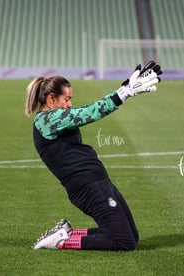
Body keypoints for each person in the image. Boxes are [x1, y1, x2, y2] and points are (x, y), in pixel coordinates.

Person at [24, 61, 162, 251]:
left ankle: (67, 233)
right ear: (51, 98)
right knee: (124, 243)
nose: (70, 104)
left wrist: (125, 87)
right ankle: (62, 241)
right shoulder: (46, 120)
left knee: (132, 235)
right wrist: (125, 93)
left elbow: (87, 109)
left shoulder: (56, 118)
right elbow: (90, 112)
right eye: (67, 99)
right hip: (87, 186)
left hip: (98, 181)